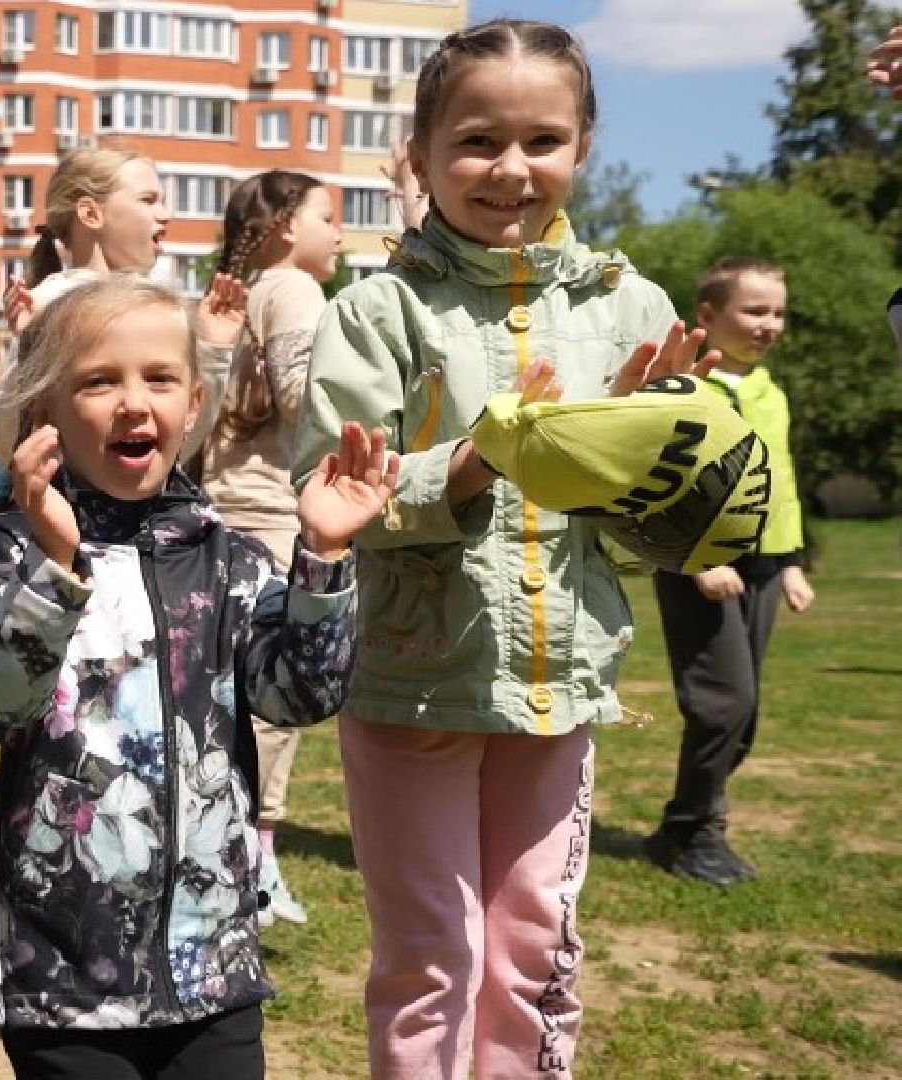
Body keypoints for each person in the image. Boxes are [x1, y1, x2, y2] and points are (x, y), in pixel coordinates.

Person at [293, 19, 722, 1076]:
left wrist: (652, 455)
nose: (509, 168)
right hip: (414, 686)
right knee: (430, 956)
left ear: (582, 147)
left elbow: (665, 524)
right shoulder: (377, 310)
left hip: (557, 686)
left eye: (541, 140)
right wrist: (474, 461)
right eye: (477, 140)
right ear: (421, 154)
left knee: (532, 947)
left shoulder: (633, 307)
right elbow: (337, 494)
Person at [0, 277, 394, 1079]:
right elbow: (0, 700)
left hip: (212, 962)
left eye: (158, 379)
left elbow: (298, 694)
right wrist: (56, 568)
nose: (133, 403)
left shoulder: (230, 559)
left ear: (193, 404)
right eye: (98, 380)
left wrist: (325, 559)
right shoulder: (15, 549)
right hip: (64, 965)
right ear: (47, 410)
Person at [197, 170, 342, 930]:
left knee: (232, 690)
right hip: (272, 511)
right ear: (286, 226)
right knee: (273, 698)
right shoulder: (294, 290)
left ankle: (237, 851)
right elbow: (302, 398)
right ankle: (255, 858)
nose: (339, 233)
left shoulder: (251, 288)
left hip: (230, 506)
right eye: (328, 216)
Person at [643, 258, 811, 886]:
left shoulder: (772, 392)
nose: (770, 325)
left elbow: (784, 482)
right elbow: (665, 487)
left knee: (745, 713)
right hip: (702, 566)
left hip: (766, 568)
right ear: (709, 317)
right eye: (755, 311)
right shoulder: (684, 388)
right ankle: (701, 835)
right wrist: (699, 560)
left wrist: (791, 565)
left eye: (778, 313)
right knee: (723, 705)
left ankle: (680, 829)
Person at [0, 148, 240, 481]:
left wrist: (214, 351)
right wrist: (28, 349)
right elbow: (7, 440)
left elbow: (181, 445)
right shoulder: (48, 305)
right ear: (91, 214)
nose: (165, 214)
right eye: (148, 199)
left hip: (146, 520)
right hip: (68, 517)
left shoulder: (161, 310)